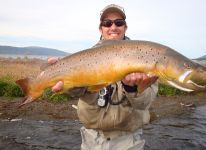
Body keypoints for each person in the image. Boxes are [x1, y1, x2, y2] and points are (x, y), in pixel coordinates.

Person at [49, 4, 158, 150]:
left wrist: (132, 88)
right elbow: (77, 93)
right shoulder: (85, 57)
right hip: (92, 138)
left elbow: (145, 103)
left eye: (119, 22)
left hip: (128, 140)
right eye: (107, 23)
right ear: (101, 29)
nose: (113, 27)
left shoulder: (143, 55)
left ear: (125, 27)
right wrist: (65, 83)